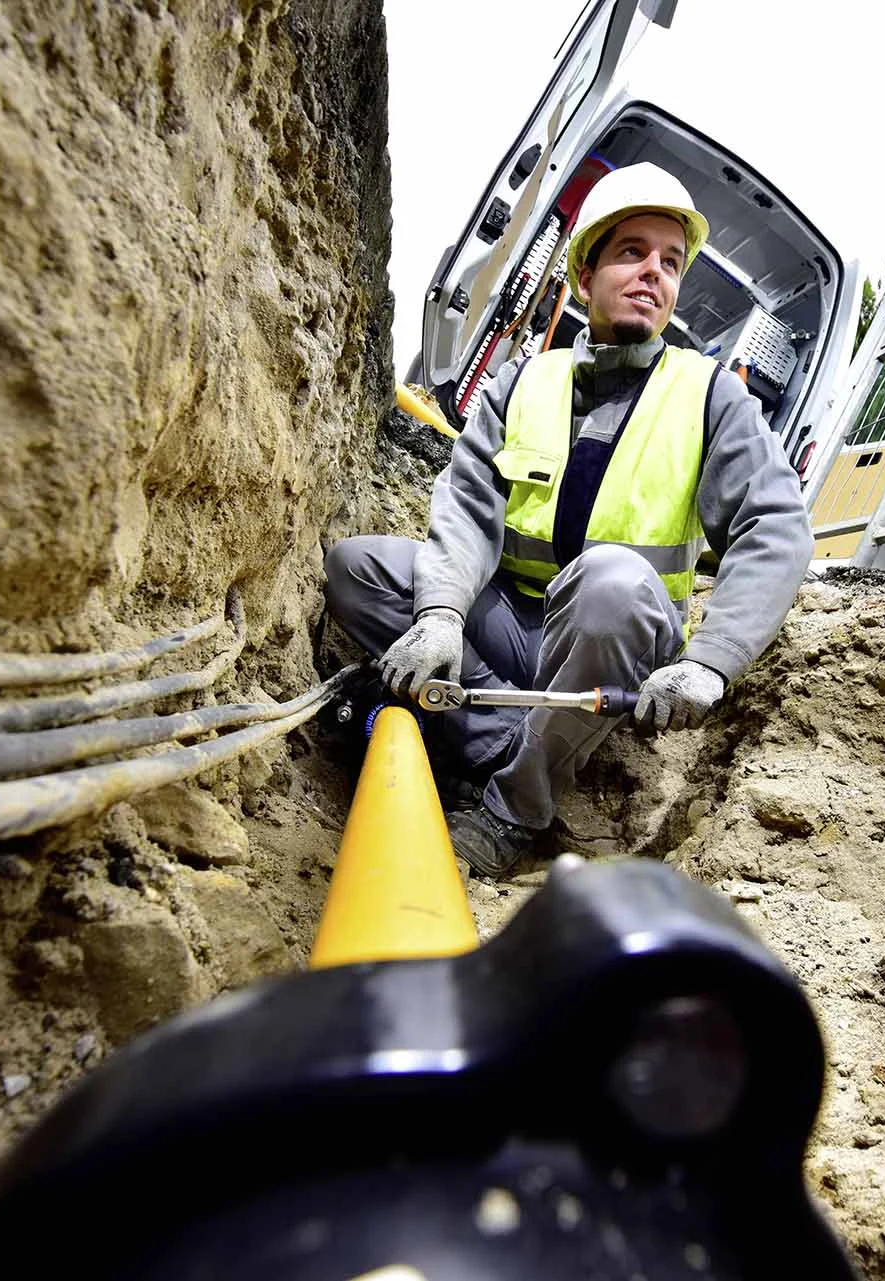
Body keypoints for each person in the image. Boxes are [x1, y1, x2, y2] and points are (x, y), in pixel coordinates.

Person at [325, 162, 811, 878]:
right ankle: (515, 740)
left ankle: (512, 807)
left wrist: (710, 662)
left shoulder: (710, 396)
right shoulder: (525, 380)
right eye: (632, 252)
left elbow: (777, 526)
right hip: (514, 625)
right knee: (358, 567)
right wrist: (439, 614)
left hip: (610, 642)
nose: (654, 272)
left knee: (610, 583)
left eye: (670, 262)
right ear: (586, 273)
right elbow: (466, 508)